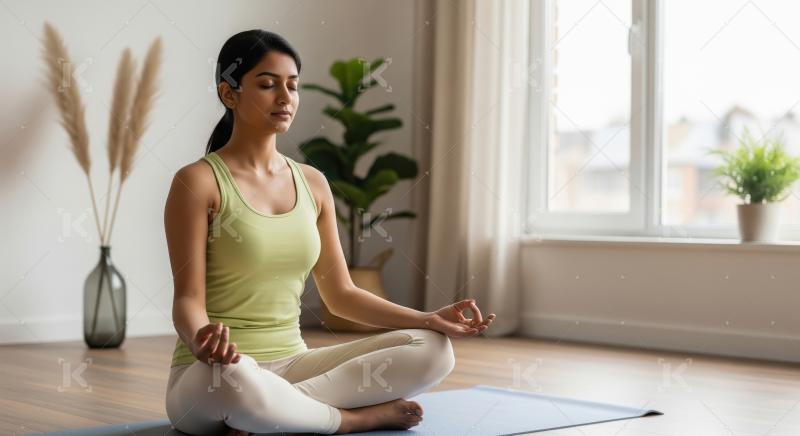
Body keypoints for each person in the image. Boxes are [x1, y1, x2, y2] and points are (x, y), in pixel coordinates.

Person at [163, 29, 496, 436]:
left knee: (432, 350)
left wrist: (429, 318)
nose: (285, 98)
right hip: (214, 376)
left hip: (293, 364)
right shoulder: (197, 183)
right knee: (238, 381)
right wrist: (201, 341)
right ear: (228, 94)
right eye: (267, 85)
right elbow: (187, 300)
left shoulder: (313, 183)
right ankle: (349, 419)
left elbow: (341, 296)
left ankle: (273, 412)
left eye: (293, 86)